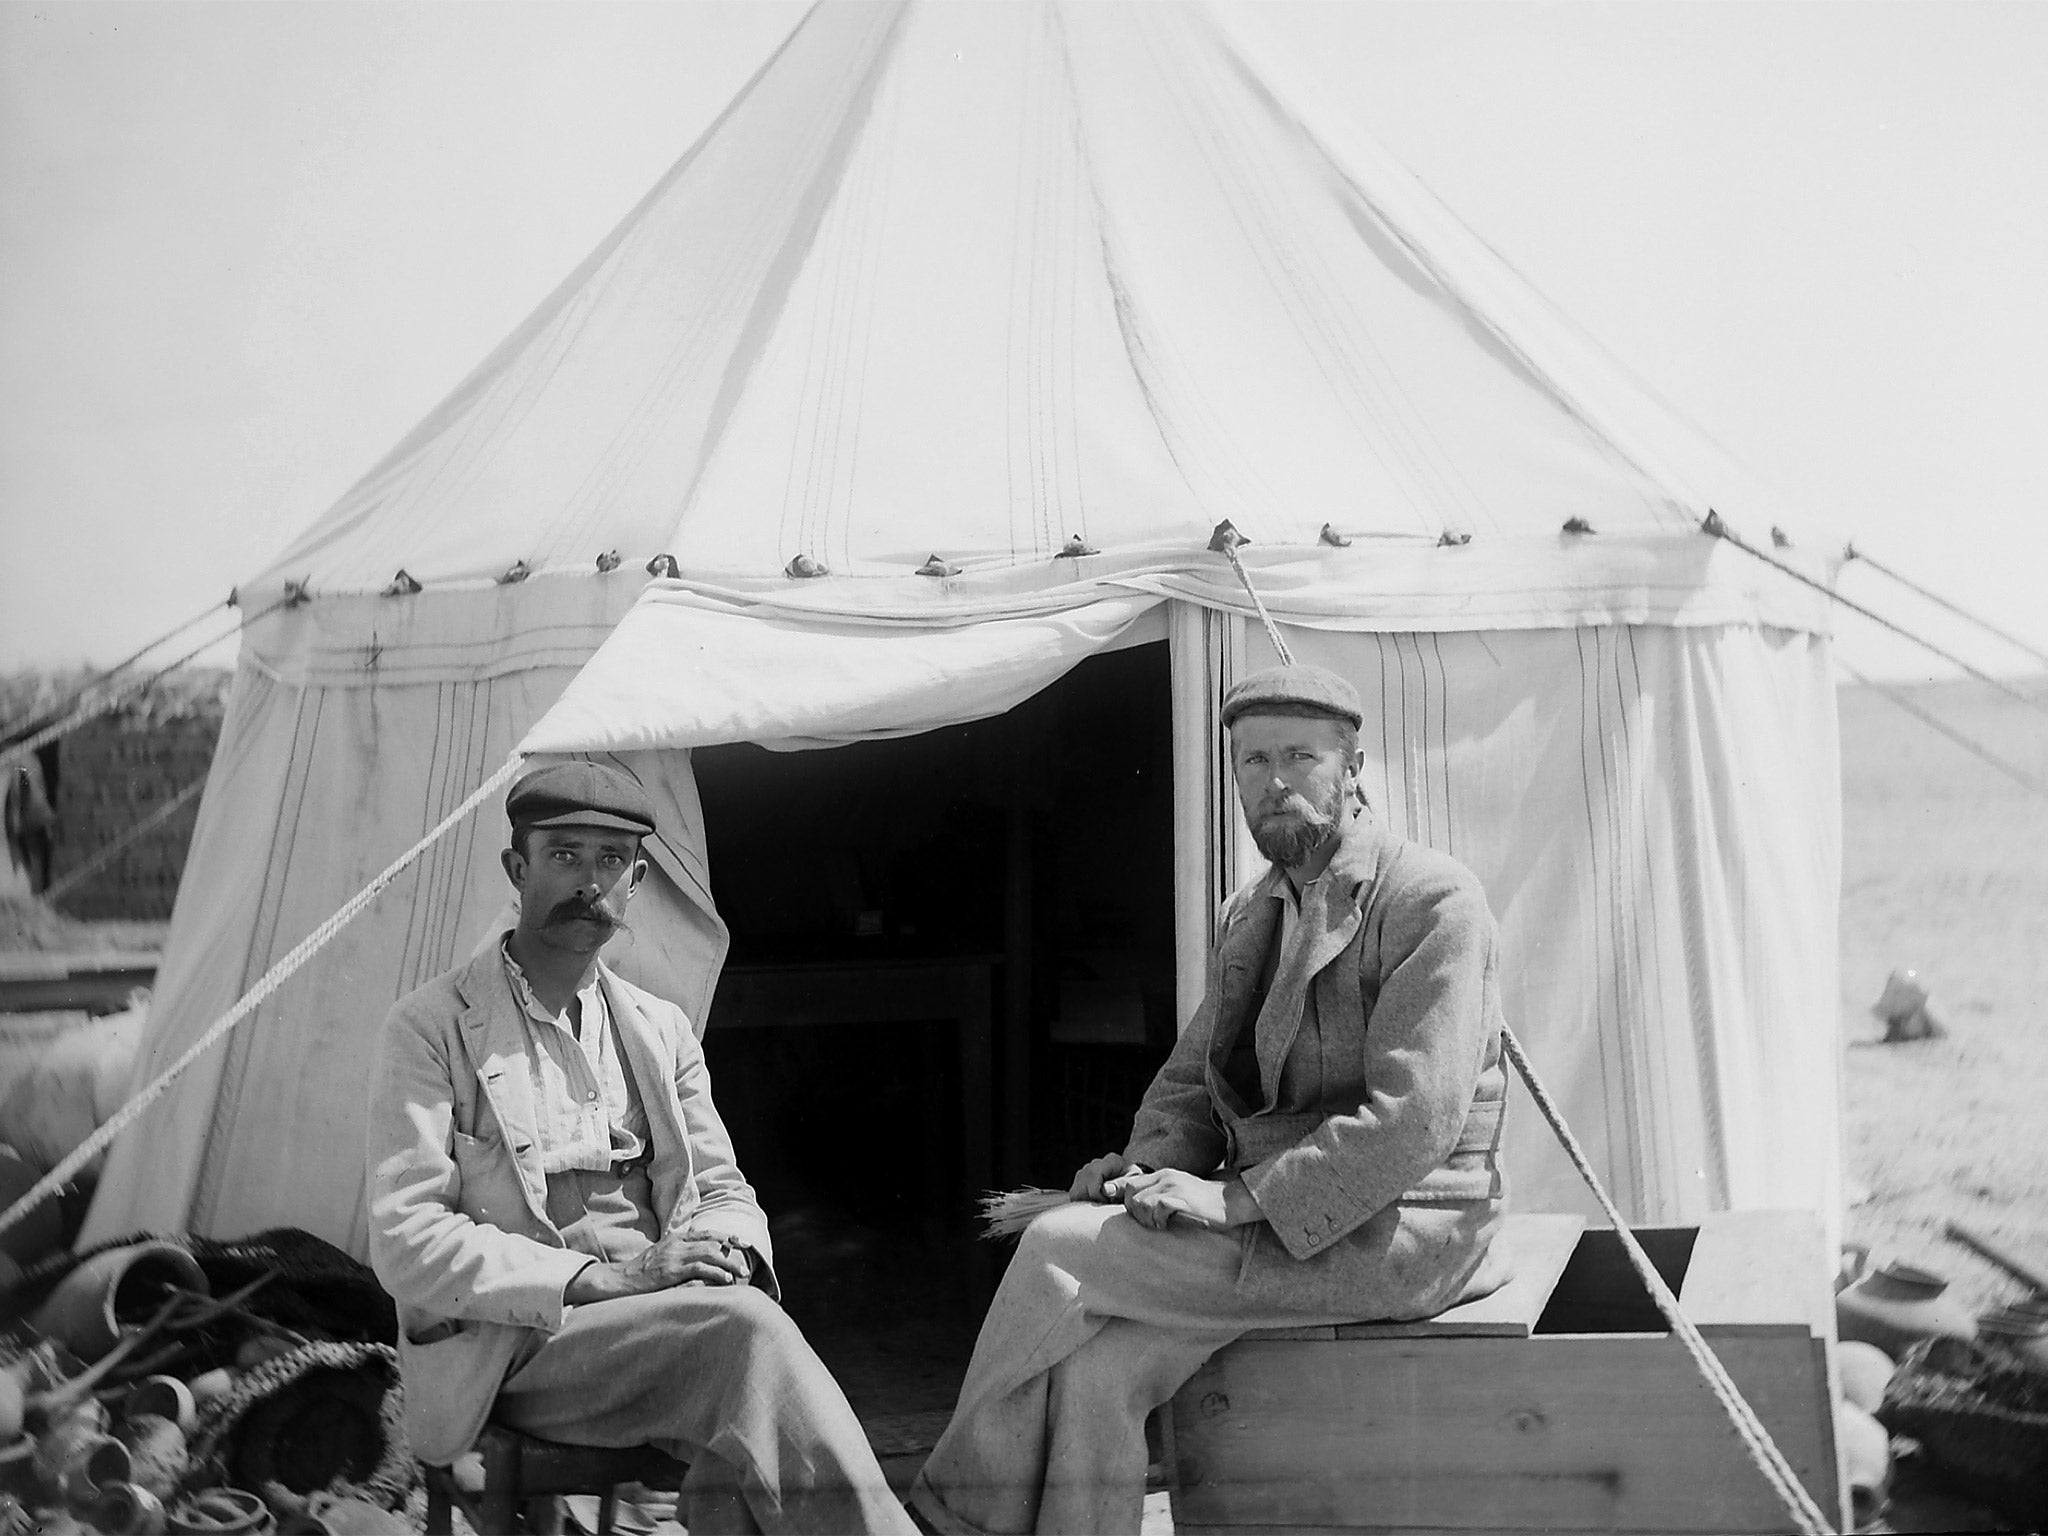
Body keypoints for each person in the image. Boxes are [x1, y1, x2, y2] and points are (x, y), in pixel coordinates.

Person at [911, 664, 1514, 1536]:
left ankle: (944, 1517)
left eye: (1299, 757)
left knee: (1056, 1247)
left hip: (1408, 1227)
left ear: (1354, 769)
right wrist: (1148, 1164)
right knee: (1098, 1374)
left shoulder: (1430, 900)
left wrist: (1232, 1198)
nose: (1272, 782)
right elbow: (1194, 1078)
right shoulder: (1254, 909)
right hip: (1288, 1223)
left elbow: (1414, 1120)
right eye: (1250, 761)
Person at [366, 760, 914, 1536]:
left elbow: (725, 1191)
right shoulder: (430, 1028)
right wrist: (605, 1278)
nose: (589, 882)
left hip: (656, 1330)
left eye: (611, 860)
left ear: (638, 880)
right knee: (744, 1342)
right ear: (516, 869)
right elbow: (407, 1240)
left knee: (743, 1338)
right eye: (564, 856)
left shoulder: (660, 1030)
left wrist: (729, 1259)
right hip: (513, 1348)